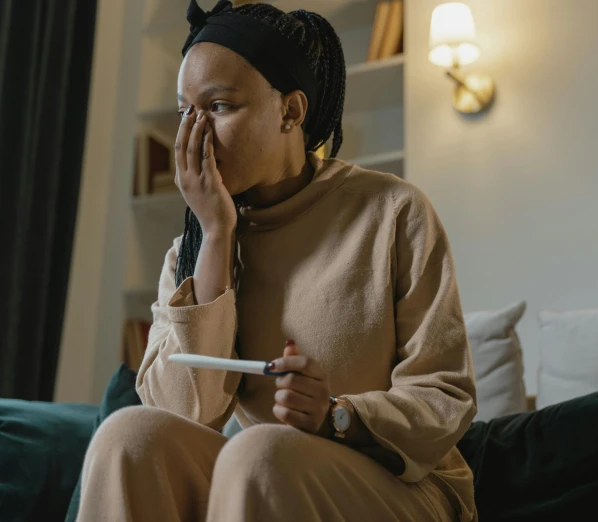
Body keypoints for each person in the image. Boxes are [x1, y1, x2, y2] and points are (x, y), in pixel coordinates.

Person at [76, 1, 477, 521]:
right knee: (127, 436)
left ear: (290, 111)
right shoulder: (193, 249)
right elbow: (185, 414)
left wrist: (337, 416)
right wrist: (218, 235)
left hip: (405, 489)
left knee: (259, 451)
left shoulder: (393, 211)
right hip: (268, 473)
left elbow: (444, 395)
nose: (192, 136)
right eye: (184, 113)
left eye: (218, 107)